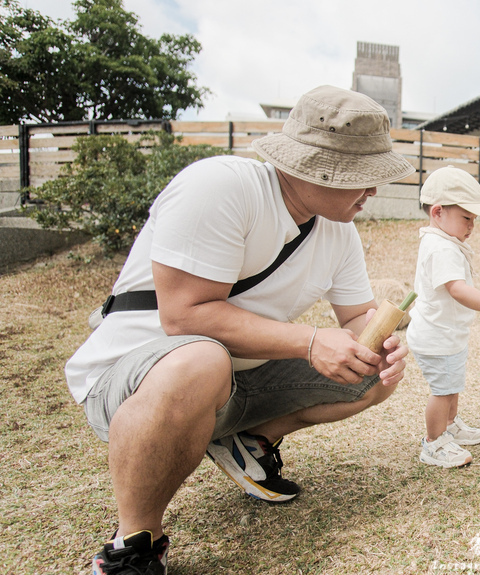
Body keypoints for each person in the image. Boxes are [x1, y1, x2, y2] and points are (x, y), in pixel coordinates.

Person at [64, 85, 415, 575]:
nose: (373, 191)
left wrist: (382, 343)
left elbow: (356, 317)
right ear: (311, 166)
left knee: (370, 373)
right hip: (139, 379)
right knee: (201, 360)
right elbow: (183, 316)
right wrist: (310, 342)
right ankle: (134, 542)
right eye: (362, 176)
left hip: (232, 378)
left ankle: (247, 441)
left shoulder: (338, 231)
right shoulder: (221, 187)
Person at [406, 166, 480, 468]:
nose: (472, 225)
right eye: (466, 217)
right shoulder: (441, 248)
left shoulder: (444, 241)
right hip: (436, 337)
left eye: (474, 220)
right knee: (442, 392)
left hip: (448, 335)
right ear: (438, 212)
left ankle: (450, 424)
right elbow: (457, 289)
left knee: (451, 385)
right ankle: (434, 441)